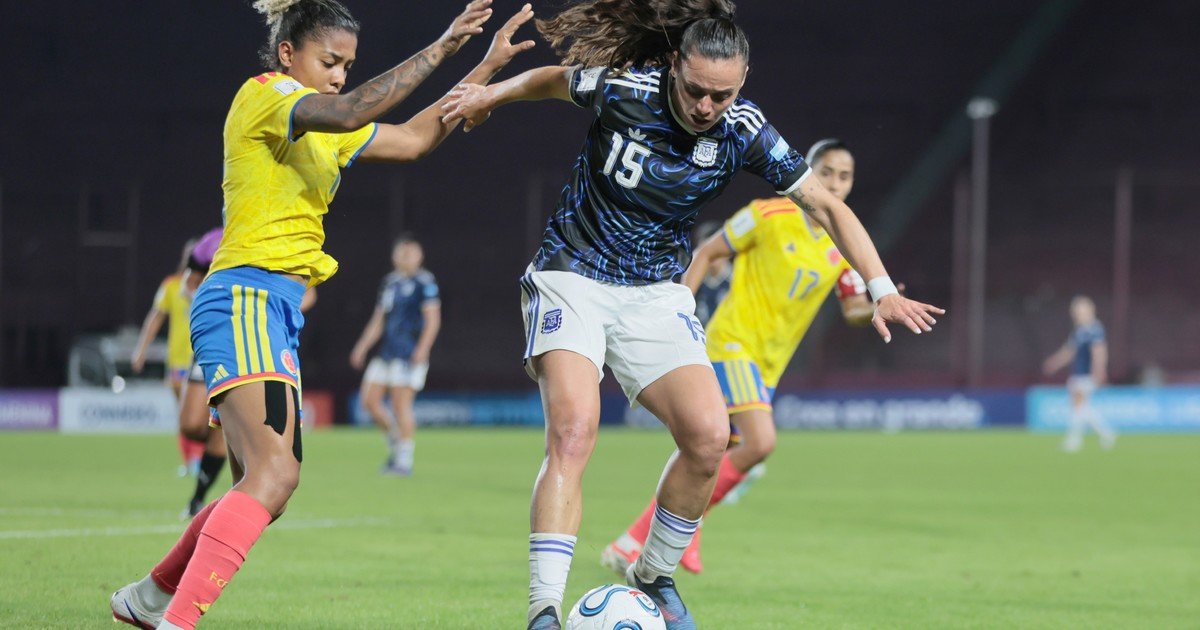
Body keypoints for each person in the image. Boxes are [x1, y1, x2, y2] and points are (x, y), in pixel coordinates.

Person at [440, 4, 944, 627]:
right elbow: (551, 79)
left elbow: (828, 207)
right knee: (573, 431)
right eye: (696, 90)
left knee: (710, 439)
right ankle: (544, 610)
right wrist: (491, 94)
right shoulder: (626, 89)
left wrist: (881, 287)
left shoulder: (746, 131)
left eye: (722, 95)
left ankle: (652, 574)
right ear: (675, 64)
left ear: (743, 80)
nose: (707, 106)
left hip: (655, 292)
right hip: (572, 274)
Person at [109, 1, 536, 628]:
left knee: (265, 487)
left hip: (274, 308)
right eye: (330, 61)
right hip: (246, 295)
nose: (339, 76)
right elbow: (351, 108)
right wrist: (445, 45)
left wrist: (485, 73)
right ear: (288, 54)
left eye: (347, 67)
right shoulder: (266, 95)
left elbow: (414, 139)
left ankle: (148, 600)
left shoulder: (328, 128)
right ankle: (176, 621)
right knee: (274, 475)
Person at [601, 139, 875, 576]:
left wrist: (880, 306)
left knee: (711, 457)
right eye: (826, 172)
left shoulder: (842, 240)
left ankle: (634, 542)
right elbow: (708, 252)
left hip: (769, 363)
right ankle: (668, 533)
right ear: (808, 171)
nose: (835, 183)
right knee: (760, 443)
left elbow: (855, 307)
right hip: (732, 343)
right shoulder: (768, 215)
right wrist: (677, 314)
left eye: (845, 176)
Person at [350, 234, 441, 476]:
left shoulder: (425, 283)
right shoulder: (389, 283)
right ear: (394, 256)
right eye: (402, 252)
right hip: (386, 352)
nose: (406, 257)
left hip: (409, 353)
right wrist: (362, 346)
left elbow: (433, 319)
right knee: (368, 401)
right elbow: (379, 319)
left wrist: (423, 348)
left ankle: (404, 461)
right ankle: (396, 443)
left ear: (420, 256)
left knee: (401, 405)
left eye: (411, 253)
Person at [131, 237, 207, 474]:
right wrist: (141, 349)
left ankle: (200, 459)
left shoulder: (212, 284)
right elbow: (156, 316)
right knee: (185, 414)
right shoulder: (172, 286)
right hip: (178, 360)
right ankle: (191, 461)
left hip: (204, 357)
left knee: (203, 412)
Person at [1042, 295, 1117, 452]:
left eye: (1080, 311)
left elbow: (1099, 351)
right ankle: (1105, 434)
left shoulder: (1095, 329)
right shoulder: (1079, 331)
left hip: (1087, 374)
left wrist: (1099, 370)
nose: (1077, 314)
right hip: (1078, 373)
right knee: (1081, 407)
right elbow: (1069, 351)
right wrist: (1054, 362)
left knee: (1078, 406)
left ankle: (1076, 440)